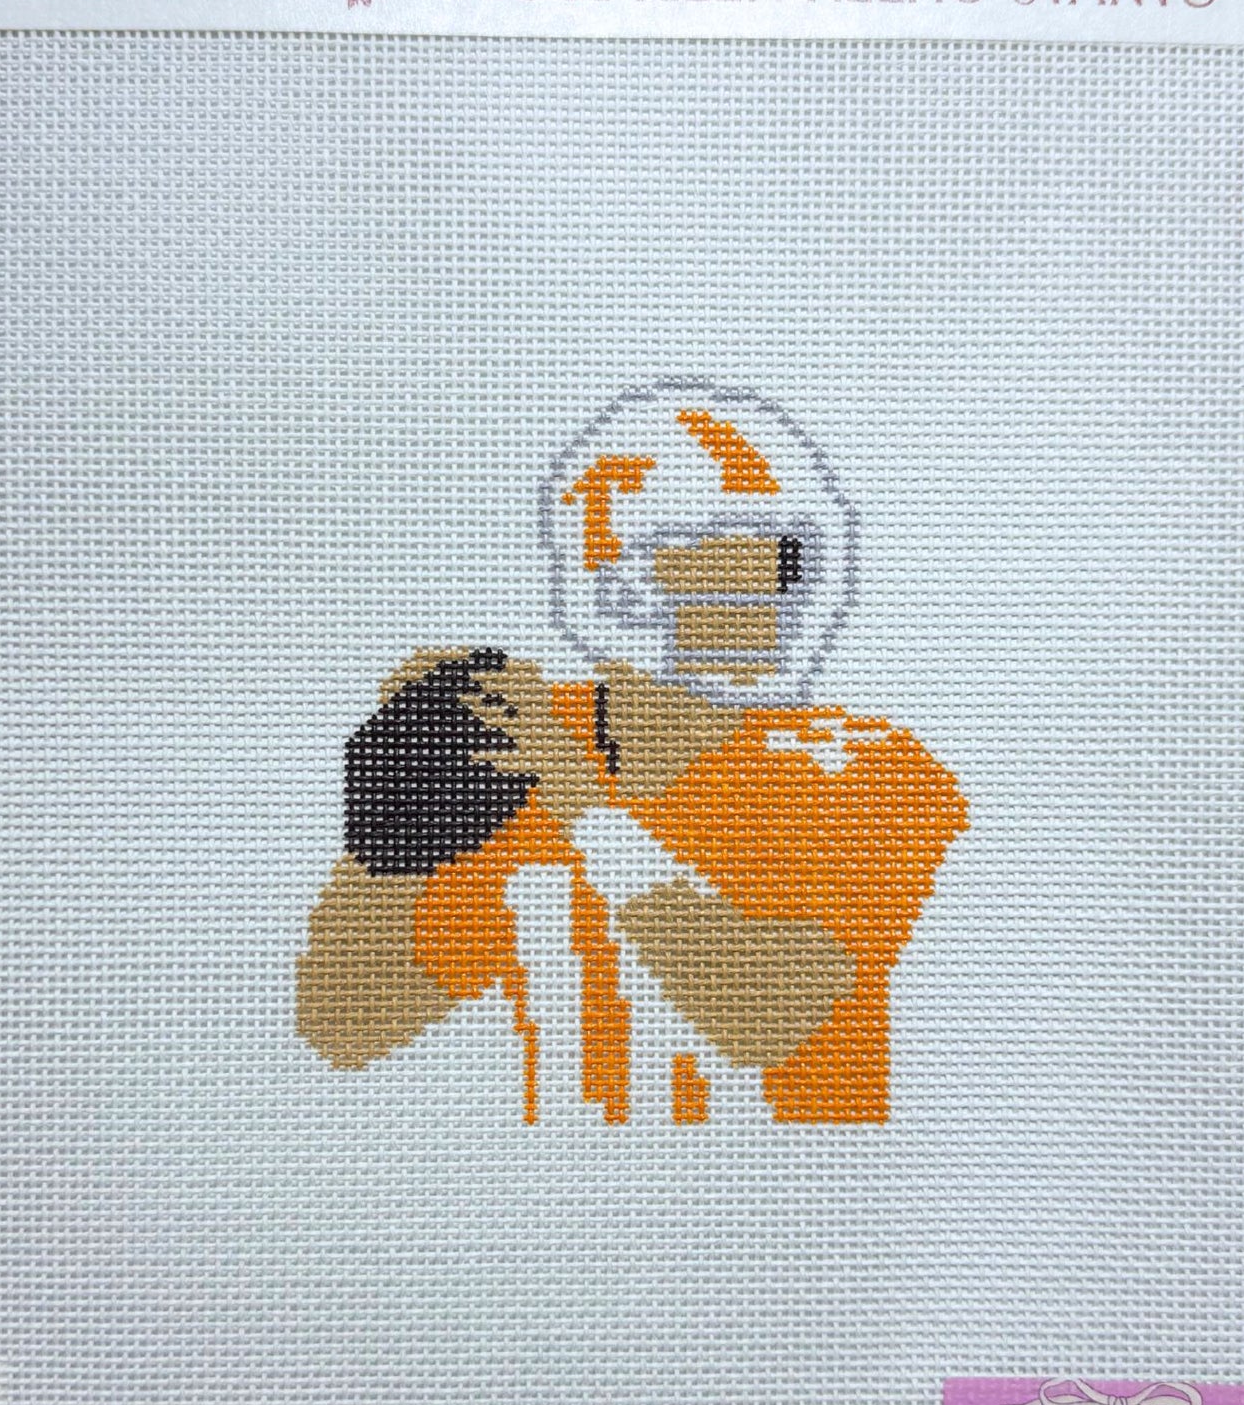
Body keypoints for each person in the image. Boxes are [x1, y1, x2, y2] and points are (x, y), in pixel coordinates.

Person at [296, 381, 968, 1125]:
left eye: (781, 561)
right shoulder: (518, 748)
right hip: (570, 1180)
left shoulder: (869, 768)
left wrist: (584, 804)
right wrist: (391, 824)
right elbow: (344, 1028)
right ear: (618, 579)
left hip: (798, 1174)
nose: (765, 598)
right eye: (718, 560)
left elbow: (770, 1018)